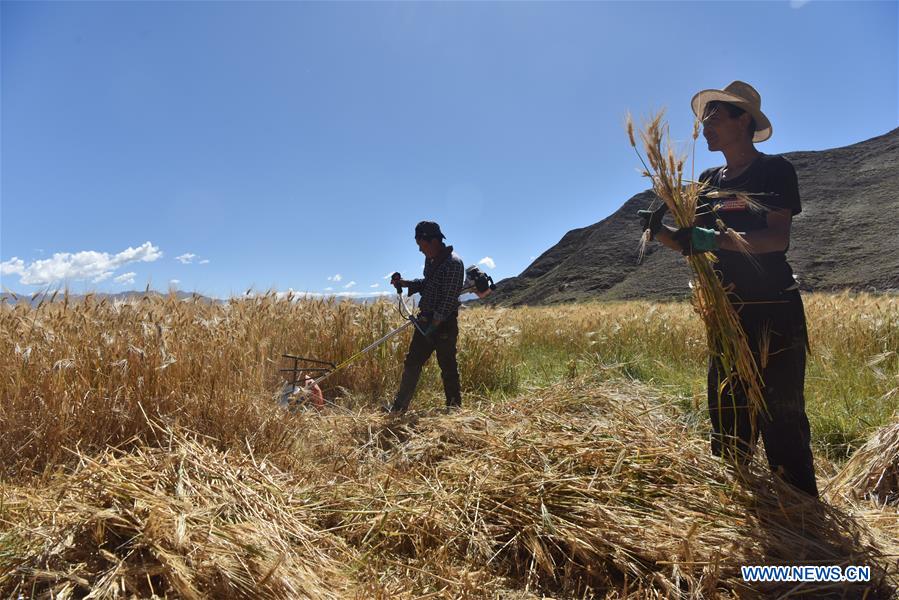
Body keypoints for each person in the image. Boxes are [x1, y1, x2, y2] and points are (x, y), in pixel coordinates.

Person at [640, 81, 818, 497]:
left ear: (744, 120)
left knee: (782, 417)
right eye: (704, 119)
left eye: (715, 116)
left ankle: (800, 519)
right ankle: (737, 506)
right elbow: (692, 244)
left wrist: (713, 240)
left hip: (773, 307)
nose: (705, 126)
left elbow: (777, 239)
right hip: (725, 311)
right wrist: (659, 231)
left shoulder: (774, 170)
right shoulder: (707, 179)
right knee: (728, 414)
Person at [387, 221, 465, 413]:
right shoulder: (431, 261)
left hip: (443, 325)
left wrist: (435, 323)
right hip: (426, 322)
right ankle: (398, 408)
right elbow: (427, 284)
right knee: (412, 363)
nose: (420, 251)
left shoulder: (453, 263)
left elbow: (448, 298)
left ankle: (454, 411)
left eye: (421, 246)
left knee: (448, 367)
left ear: (432, 241)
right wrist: (405, 283)